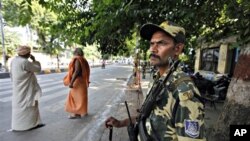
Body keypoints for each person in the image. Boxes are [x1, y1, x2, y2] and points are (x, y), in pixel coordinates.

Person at [105, 21, 206, 141]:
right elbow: (147, 117)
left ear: (177, 49)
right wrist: (121, 123)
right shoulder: (159, 79)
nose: (153, 49)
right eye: (152, 43)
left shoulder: (183, 91)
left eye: (161, 43)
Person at [10, 45, 45, 131]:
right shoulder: (25, 62)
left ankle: (17, 126)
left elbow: (11, 75)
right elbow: (37, 69)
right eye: (29, 53)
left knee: (19, 107)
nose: (30, 54)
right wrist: (34, 60)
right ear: (27, 53)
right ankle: (31, 125)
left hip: (18, 88)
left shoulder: (14, 61)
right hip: (26, 89)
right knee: (30, 105)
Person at [64, 48, 90, 119]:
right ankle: (83, 112)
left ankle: (76, 114)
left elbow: (77, 71)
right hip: (83, 81)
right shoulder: (84, 60)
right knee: (81, 98)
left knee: (74, 98)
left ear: (76, 53)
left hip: (77, 81)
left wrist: (71, 82)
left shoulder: (77, 59)